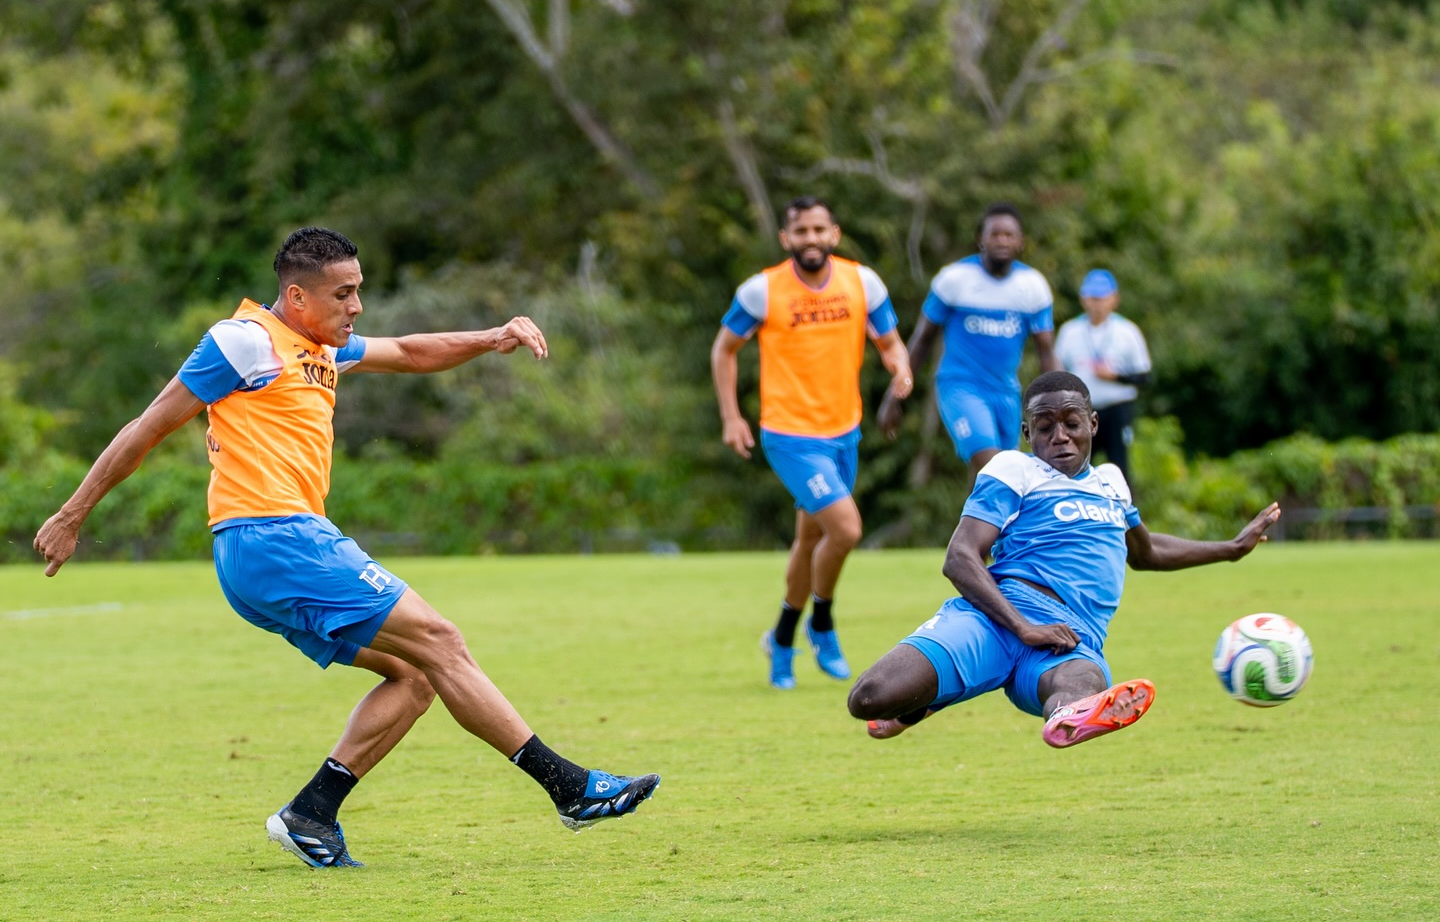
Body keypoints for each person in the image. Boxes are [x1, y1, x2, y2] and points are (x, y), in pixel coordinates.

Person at [33, 227, 659, 868]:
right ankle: (570, 789)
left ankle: (312, 813)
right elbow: (148, 426)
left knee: (417, 675)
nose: (356, 306)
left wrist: (490, 337)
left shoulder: (320, 348)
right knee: (442, 640)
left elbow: (412, 352)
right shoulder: (244, 341)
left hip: (276, 549)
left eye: (359, 291)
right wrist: (72, 514)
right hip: (273, 537)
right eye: (344, 294)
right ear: (297, 295)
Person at [848, 370, 1280, 748]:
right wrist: (1023, 626)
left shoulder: (1112, 482)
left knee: (1080, 684)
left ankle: (1067, 717)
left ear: (1092, 424)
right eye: (1044, 427)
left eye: (1072, 423)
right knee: (868, 698)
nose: (1060, 436)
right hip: (997, 619)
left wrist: (1230, 548)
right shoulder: (1013, 469)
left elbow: (1146, 553)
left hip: (1068, 639)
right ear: (1027, 433)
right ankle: (920, 704)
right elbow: (960, 557)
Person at [711, 196, 913, 690]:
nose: (811, 239)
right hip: (789, 434)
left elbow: (889, 341)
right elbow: (724, 350)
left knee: (809, 541)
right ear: (787, 239)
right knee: (845, 529)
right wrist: (732, 415)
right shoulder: (762, 291)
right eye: (801, 231)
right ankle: (821, 623)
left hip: (844, 432)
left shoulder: (863, 282)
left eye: (819, 229)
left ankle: (781, 638)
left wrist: (901, 368)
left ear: (834, 234)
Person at [877, 203, 1061, 490]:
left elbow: (1046, 352)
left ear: (1020, 241)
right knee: (994, 466)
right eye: (995, 234)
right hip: (960, 386)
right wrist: (894, 396)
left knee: (996, 476)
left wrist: (1063, 400)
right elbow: (922, 341)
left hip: (1006, 392)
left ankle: (984, 534)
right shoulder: (954, 279)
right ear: (981, 239)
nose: (1002, 240)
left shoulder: (1033, 286)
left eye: (1009, 235)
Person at [1054, 269, 1152, 476]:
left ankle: (1122, 507)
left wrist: (1115, 376)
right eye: (1092, 297)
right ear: (1083, 299)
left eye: (1102, 298)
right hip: (1081, 410)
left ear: (1114, 299)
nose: (1096, 303)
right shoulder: (1070, 331)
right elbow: (1057, 372)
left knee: (1118, 467)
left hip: (1117, 409)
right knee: (1074, 466)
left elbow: (1144, 376)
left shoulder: (1127, 331)